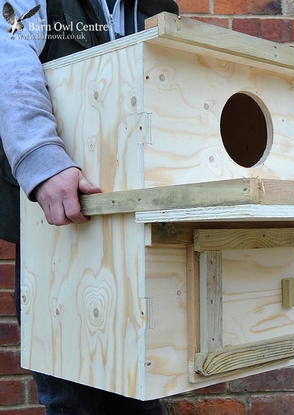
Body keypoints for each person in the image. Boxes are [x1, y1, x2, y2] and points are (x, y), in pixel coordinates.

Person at [0, 1, 178, 413]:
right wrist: (41, 161)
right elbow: (9, 56)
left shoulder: (158, 6)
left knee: (145, 388)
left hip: (140, 224)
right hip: (62, 224)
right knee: (75, 397)